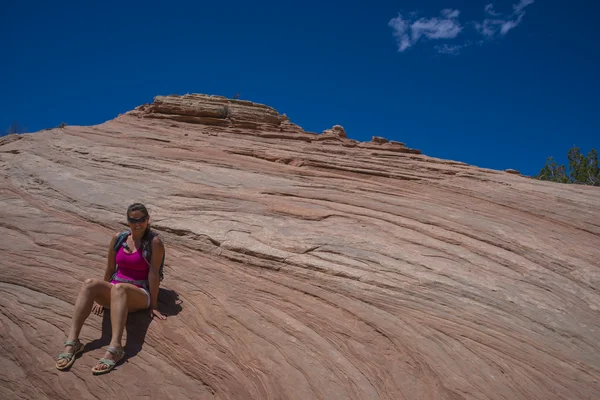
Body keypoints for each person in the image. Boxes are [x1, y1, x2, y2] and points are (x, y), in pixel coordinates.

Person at [55, 203, 167, 374]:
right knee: (89, 283)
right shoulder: (119, 238)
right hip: (116, 291)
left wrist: (154, 306)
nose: (137, 223)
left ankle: (116, 347)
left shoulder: (154, 242)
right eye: (133, 220)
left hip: (140, 293)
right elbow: (109, 269)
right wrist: (100, 296)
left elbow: (153, 274)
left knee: (119, 288)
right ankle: (73, 341)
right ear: (127, 220)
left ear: (147, 220)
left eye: (141, 219)